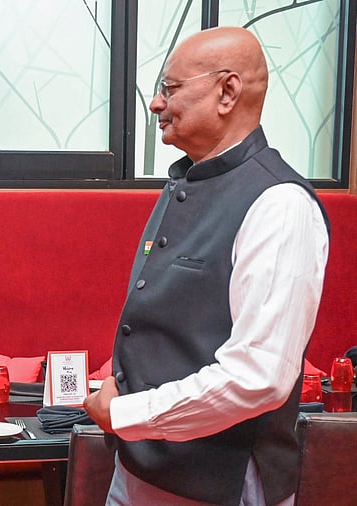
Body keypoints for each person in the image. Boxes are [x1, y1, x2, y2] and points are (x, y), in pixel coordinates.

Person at [83, 27, 329, 506]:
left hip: (218, 482)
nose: (155, 103)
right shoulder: (185, 182)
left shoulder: (279, 203)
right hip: (141, 465)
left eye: (170, 89)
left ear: (227, 91)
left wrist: (127, 413)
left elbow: (258, 376)